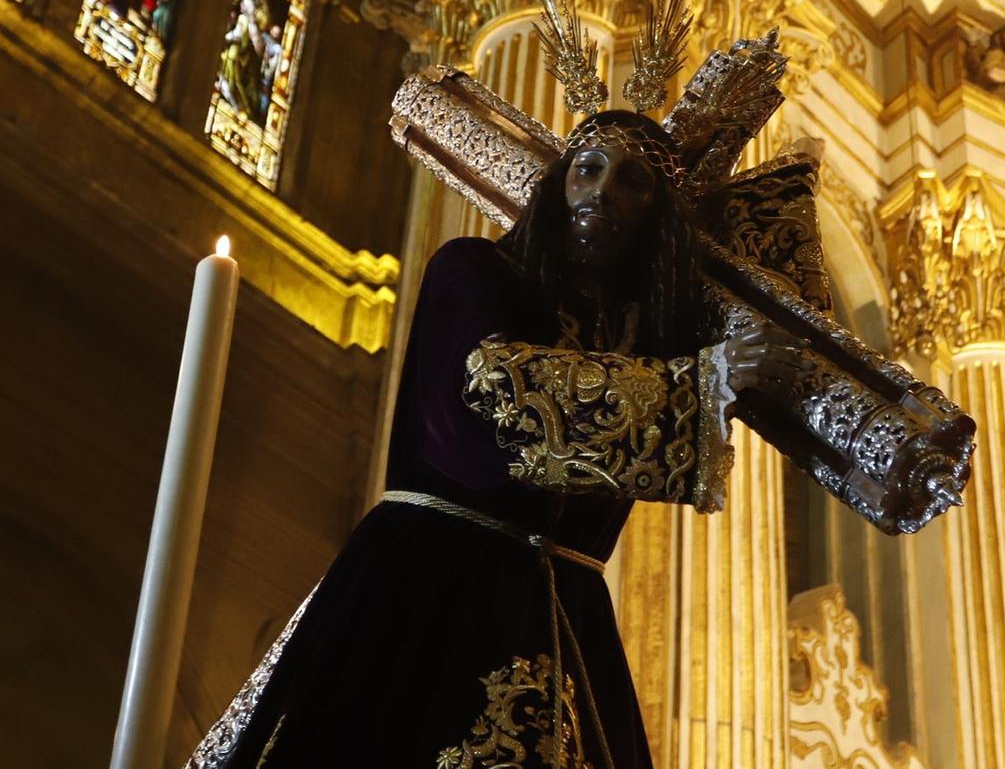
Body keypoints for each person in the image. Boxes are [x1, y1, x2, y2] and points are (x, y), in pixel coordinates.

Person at [187, 108, 813, 768]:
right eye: (587, 168)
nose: (601, 190)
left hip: (567, 617)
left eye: (632, 180)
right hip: (433, 582)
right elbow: (490, 390)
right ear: (557, 184)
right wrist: (692, 390)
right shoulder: (474, 271)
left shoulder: (647, 338)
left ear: (658, 217)